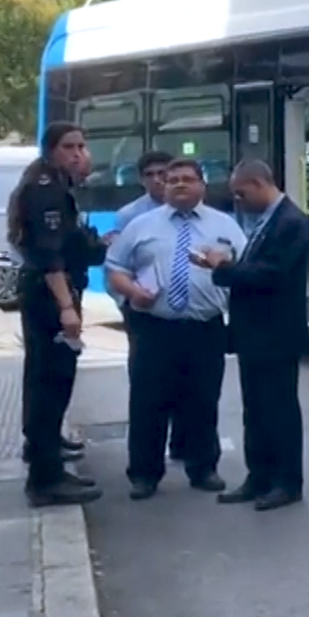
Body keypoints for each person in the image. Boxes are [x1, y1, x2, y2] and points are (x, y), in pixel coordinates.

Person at [105, 159, 245, 500]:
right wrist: (133, 292)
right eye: (172, 181)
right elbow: (115, 269)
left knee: (202, 400)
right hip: (155, 328)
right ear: (163, 187)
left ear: (202, 185)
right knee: (147, 402)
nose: (179, 185)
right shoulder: (141, 226)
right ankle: (144, 474)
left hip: (204, 328)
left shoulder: (224, 225)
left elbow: (245, 266)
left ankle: (203, 468)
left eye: (187, 179)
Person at [196, 160, 309, 511]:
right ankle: (258, 475)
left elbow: (270, 275)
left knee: (279, 409)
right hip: (254, 333)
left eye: (241, 193)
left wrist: (224, 267)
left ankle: (287, 482)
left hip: (277, 332)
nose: (238, 201)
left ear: (260, 183)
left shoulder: (291, 222)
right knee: (255, 409)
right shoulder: (264, 221)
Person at [9, 122, 110, 507]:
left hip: (53, 291)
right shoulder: (46, 190)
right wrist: (66, 307)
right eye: (70, 146)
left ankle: (48, 464)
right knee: (50, 383)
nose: (79, 153)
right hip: (49, 296)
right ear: (51, 150)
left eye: (83, 145)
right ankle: (46, 479)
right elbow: (49, 255)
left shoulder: (56, 185)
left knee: (50, 380)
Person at [114, 150, 188, 464]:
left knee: (189, 385)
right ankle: (145, 465)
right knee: (148, 389)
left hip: (188, 316)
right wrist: (130, 300)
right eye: (150, 175)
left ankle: (186, 447)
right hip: (145, 314)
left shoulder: (197, 212)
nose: (158, 181)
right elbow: (116, 266)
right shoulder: (130, 217)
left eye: (164, 174)